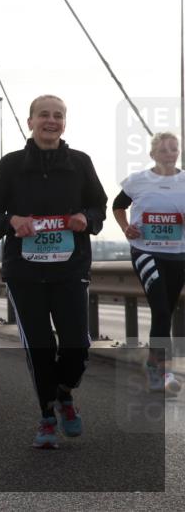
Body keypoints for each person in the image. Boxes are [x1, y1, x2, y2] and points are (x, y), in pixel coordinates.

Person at [0, 95, 107, 449]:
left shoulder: (80, 163)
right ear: (30, 122)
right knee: (40, 348)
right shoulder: (10, 165)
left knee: (77, 347)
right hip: (25, 273)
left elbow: (98, 205)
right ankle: (48, 417)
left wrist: (86, 218)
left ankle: (64, 391)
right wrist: (11, 221)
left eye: (58, 116)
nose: (51, 121)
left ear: (64, 123)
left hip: (70, 270)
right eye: (43, 115)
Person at [113, 131, 185, 395]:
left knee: (165, 311)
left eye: (174, 149)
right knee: (162, 311)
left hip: (178, 254)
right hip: (146, 251)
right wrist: (126, 227)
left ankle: (154, 363)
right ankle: (162, 372)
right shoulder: (138, 180)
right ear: (153, 154)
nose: (169, 154)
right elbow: (117, 206)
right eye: (163, 150)